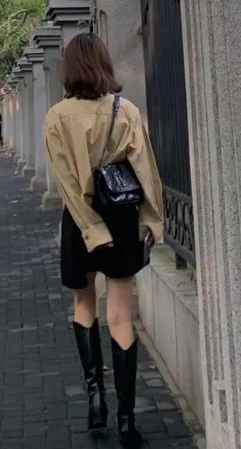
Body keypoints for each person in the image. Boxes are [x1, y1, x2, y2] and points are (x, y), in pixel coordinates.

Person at [44, 33, 163, 448]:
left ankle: (96, 401)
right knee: (120, 314)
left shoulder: (57, 116)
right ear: (104, 63)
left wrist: (91, 228)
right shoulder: (125, 110)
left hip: (80, 220)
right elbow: (146, 170)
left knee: (83, 304)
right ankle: (127, 420)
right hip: (122, 216)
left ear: (69, 68)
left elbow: (66, 182)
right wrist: (152, 219)